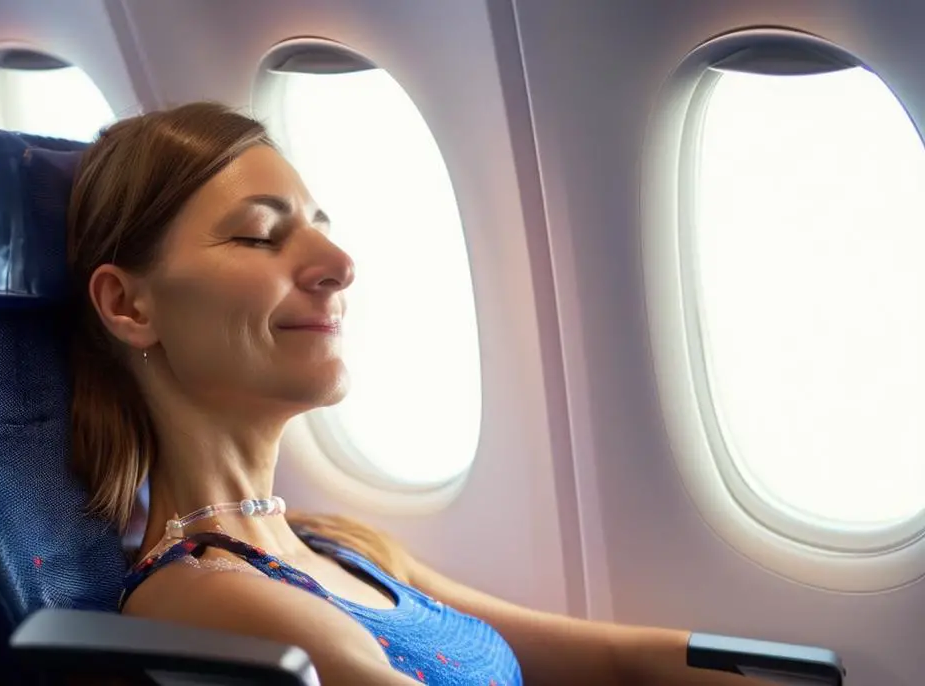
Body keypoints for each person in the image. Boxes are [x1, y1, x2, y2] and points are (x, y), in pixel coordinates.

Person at [65, 101, 765, 685]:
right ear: (129, 305)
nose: (339, 265)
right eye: (259, 236)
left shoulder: (326, 545)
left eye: (321, 231)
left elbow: (611, 661)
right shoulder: (207, 598)